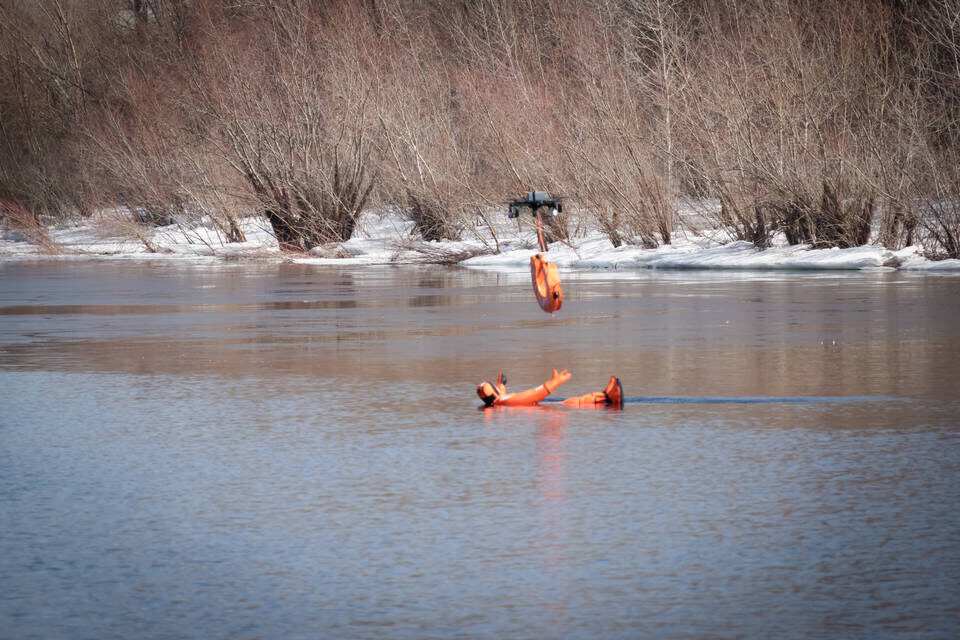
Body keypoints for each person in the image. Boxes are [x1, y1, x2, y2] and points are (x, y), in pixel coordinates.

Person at [477, 370, 623, 408]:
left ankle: (606, 395)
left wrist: (501, 383)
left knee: (571, 402)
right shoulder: (504, 402)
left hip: (538, 406)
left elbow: (500, 392)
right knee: (573, 402)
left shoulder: (498, 401)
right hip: (539, 406)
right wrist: (554, 382)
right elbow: (534, 395)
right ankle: (609, 397)